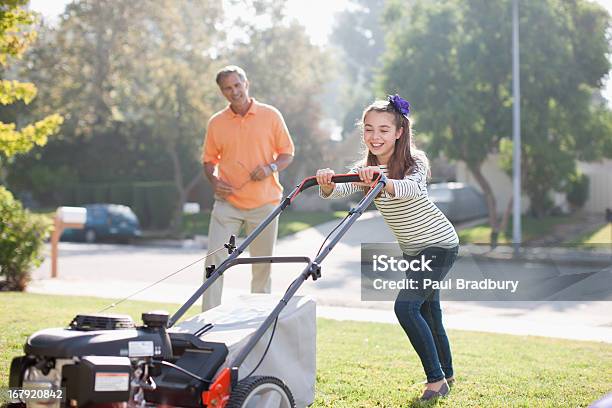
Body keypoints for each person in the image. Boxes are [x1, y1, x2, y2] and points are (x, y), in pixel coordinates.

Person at [315, 95, 459, 401]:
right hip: (413, 250)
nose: (374, 136)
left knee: (406, 307)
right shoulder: (365, 167)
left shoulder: (414, 161)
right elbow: (340, 188)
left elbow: (410, 189)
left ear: (398, 132)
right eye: (369, 129)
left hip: (439, 244)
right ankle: (447, 373)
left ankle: (435, 381)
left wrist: (381, 179)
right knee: (430, 311)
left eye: (383, 129)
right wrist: (327, 182)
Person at [201, 65, 294, 311]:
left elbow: (287, 153)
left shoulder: (270, 115)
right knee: (214, 261)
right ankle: (207, 318)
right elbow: (209, 161)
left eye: (237, 86)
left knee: (262, 265)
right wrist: (214, 180)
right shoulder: (216, 123)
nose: (234, 92)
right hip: (227, 205)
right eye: (227, 89)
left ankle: (258, 317)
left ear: (246, 84)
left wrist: (270, 168)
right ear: (222, 92)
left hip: (265, 203)